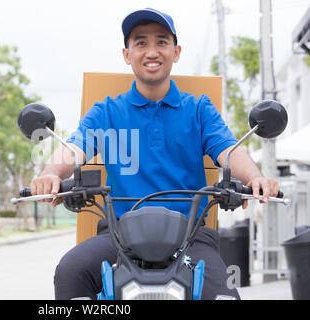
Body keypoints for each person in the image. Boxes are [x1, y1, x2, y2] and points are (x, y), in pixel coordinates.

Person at [29, 8, 280, 300]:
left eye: (162, 42)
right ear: (127, 54)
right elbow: (73, 149)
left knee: (225, 296)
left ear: (176, 52)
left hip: (189, 242)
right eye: (140, 42)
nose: (152, 51)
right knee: (70, 270)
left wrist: (255, 177)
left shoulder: (199, 109)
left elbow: (228, 151)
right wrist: (50, 174)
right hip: (120, 240)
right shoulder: (107, 111)